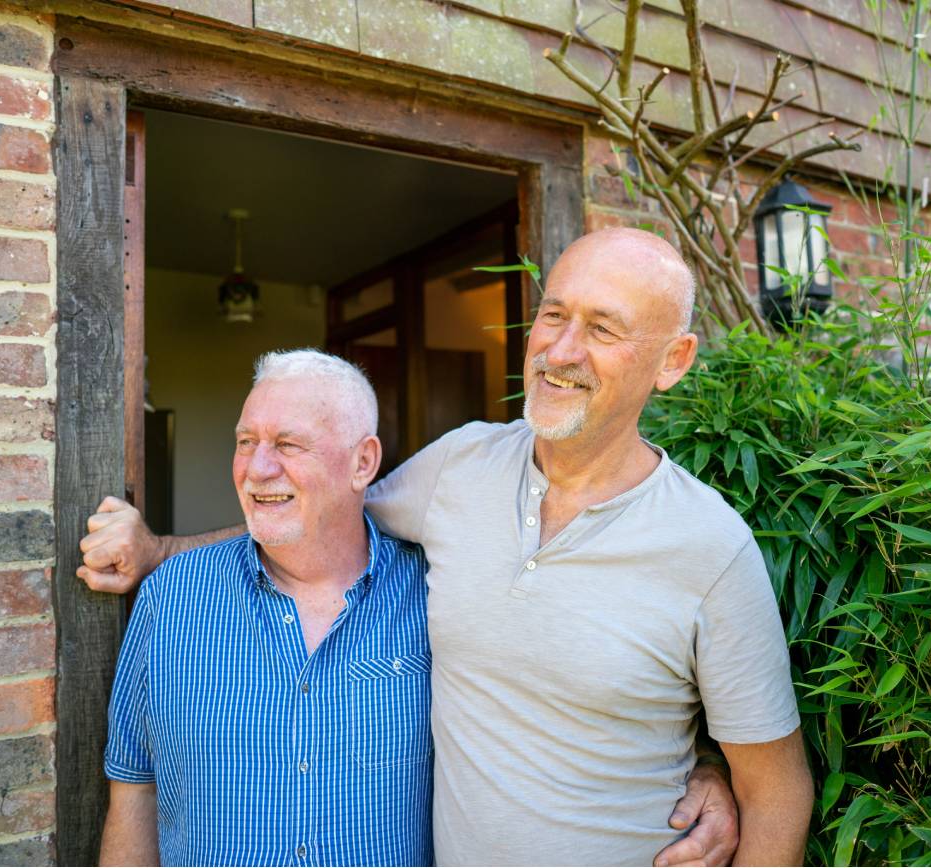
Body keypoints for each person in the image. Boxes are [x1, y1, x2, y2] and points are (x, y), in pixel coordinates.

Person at [85, 228, 813, 866]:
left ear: (673, 359)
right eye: (554, 315)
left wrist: (710, 768)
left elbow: (777, 791)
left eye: (602, 329)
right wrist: (160, 551)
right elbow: (318, 506)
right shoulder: (462, 467)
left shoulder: (712, 547)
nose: (560, 350)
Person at [99, 351, 433, 866]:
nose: (257, 469)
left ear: (362, 462)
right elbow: (135, 789)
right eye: (245, 442)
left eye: (288, 444)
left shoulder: (430, 594)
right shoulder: (170, 597)